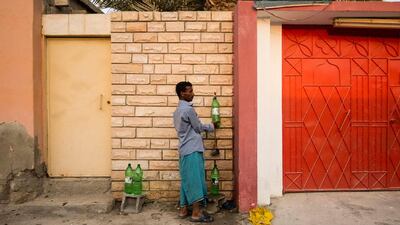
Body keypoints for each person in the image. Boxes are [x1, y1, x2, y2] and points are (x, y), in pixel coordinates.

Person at [173, 81, 215, 223]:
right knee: (195, 180)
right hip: (192, 149)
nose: (193, 93)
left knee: (186, 179)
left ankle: (184, 210)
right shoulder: (188, 110)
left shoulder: (177, 111)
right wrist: (211, 126)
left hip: (184, 149)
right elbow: (198, 127)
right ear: (182, 93)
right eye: (190, 91)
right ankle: (196, 213)